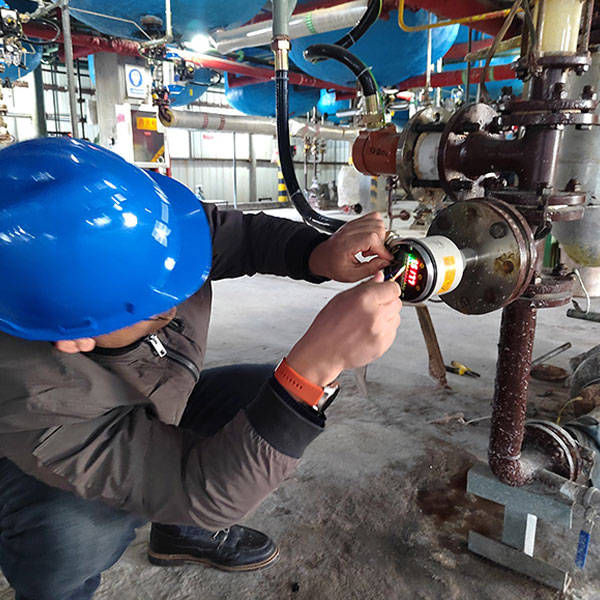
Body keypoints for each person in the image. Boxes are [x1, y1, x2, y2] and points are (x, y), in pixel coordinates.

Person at [0, 137, 402, 600]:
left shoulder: (146, 229)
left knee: (256, 397)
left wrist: (319, 253)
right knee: (74, 531)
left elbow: (238, 237)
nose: (180, 299)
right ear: (76, 337)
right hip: (32, 464)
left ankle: (179, 534)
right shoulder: (36, 404)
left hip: (143, 397)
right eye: (158, 306)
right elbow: (203, 492)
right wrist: (313, 368)